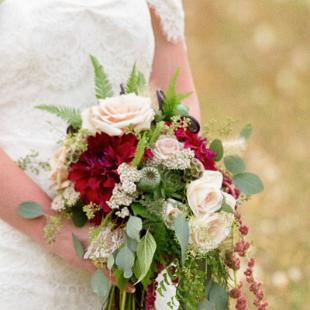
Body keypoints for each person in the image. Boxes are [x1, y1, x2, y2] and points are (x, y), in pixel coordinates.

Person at [0, 0, 200, 308]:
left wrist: (169, 195)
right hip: (17, 242)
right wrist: (57, 231)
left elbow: (179, 103)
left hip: (129, 244)